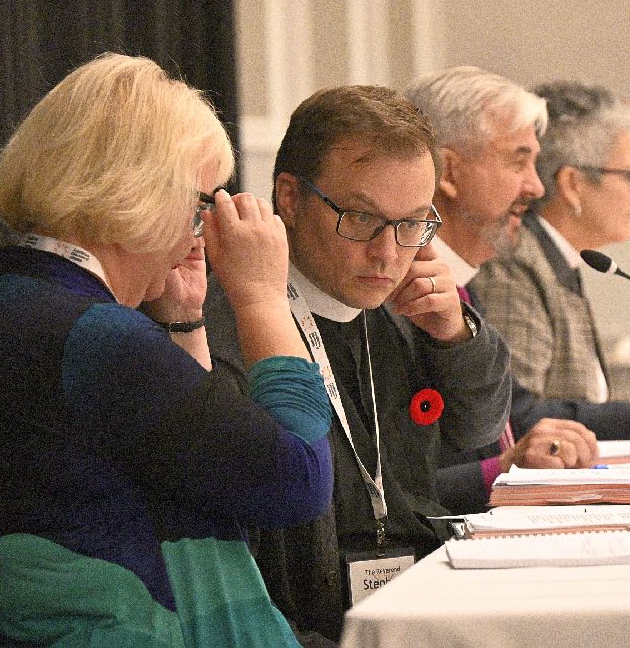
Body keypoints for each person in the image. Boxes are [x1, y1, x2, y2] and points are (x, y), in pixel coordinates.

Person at [0, 53, 333, 646]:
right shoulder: (92, 337)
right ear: (140, 193)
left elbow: (198, 468)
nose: (199, 232)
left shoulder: (7, 305)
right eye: (200, 206)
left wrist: (187, 319)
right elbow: (297, 483)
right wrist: (263, 299)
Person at [203, 84, 511, 643]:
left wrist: (456, 335)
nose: (388, 252)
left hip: (420, 603)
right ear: (290, 199)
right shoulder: (235, 320)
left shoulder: (409, 309)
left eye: (413, 222)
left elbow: (481, 429)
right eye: (363, 219)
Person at [405, 67, 630, 515]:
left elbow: (522, 412)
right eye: (518, 161)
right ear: (450, 170)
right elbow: (522, 422)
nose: (535, 186)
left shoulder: (465, 280)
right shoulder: (496, 269)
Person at [468, 79, 630, 419]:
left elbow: (589, 399)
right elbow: (523, 416)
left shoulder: (556, 255)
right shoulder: (514, 263)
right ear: (572, 185)